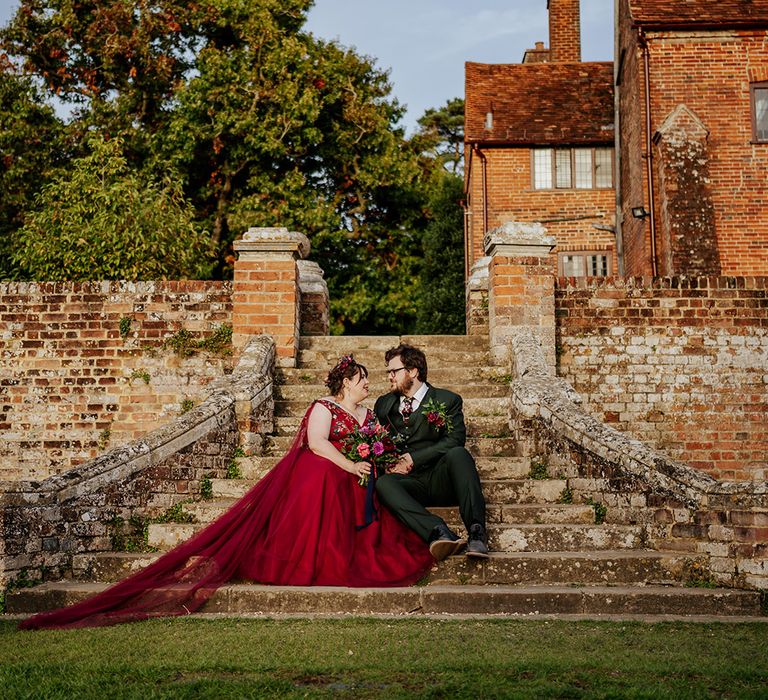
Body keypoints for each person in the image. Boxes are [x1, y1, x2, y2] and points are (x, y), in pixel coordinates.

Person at [19, 355, 433, 630]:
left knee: (365, 492)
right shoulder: (324, 406)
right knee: (322, 477)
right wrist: (350, 464)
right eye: (361, 380)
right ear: (345, 382)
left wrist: (374, 458)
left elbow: (375, 442)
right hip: (325, 470)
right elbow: (317, 444)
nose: (367, 386)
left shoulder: (367, 413)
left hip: (355, 475)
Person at [374, 344, 489, 561]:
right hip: (408, 484)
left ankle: (476, 532)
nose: (390, 376)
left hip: (440, 478)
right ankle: (438, 531)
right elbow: (377, 440)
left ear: (413, 371)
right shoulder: (383, 404)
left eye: (394, 371)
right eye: (388, 372)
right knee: (383, 484)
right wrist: (388, 462)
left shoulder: (447, 400)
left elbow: (455, 439)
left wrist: (414, 458)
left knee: (459, 454)